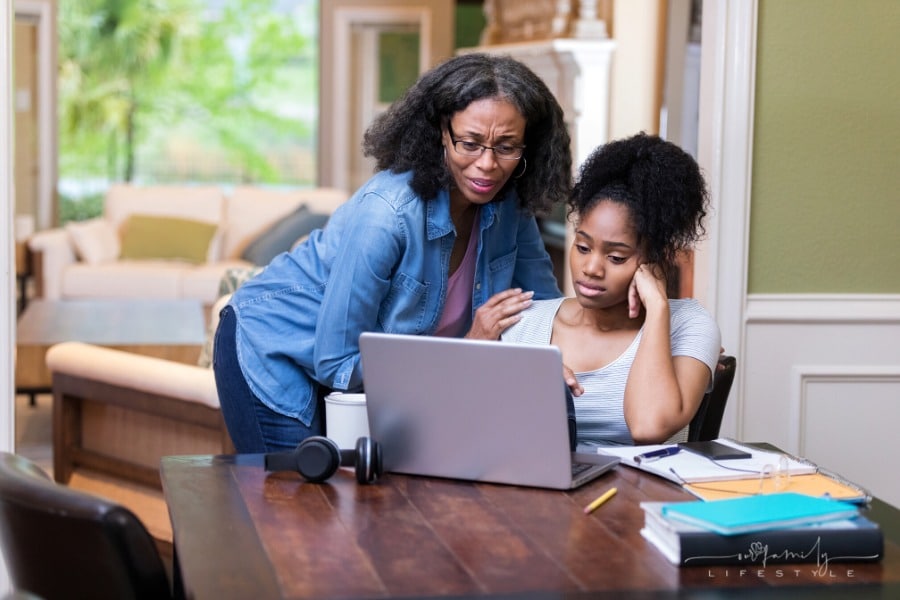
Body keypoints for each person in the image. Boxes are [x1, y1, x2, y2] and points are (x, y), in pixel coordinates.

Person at [213, 53, 572, 453]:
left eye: (506, 147)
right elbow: (337, 363)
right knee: (298, 506)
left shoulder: (509, 207)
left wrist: (615, 302)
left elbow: (546, 309)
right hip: (276, 348)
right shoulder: (387, 215)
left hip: (374, 378)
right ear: (441, 131)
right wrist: (471, 346)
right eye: (469, 144)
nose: (487, 165)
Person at [501, 133, 721, 447]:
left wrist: (658, 308)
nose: (591, 268)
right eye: (583, 246)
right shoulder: (522, 321)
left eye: (616, 257)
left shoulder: (690, 325)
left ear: (654, 257)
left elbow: (648, 426)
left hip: (632, 495)